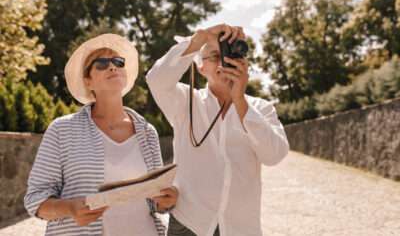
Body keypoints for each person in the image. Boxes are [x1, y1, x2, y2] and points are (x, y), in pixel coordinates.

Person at [24, 33, 178, 236]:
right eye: (102, 63)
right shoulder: (62, 130)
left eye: (118, 61)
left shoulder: (147, 132)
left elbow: (156, 201)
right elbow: (35, 200)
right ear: (88, 81)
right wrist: (70, 208)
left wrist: (167, 200)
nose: (112, 66)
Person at [146, 24, 289, 236]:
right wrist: (199, 39)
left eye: (229, 54)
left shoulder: (261, 108)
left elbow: (274, 155)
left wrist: (239, 101)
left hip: (241, 228)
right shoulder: (185, 101)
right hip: (189, 223)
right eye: (214, 55)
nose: (224, 61)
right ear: (201, 67)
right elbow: (155, 80)